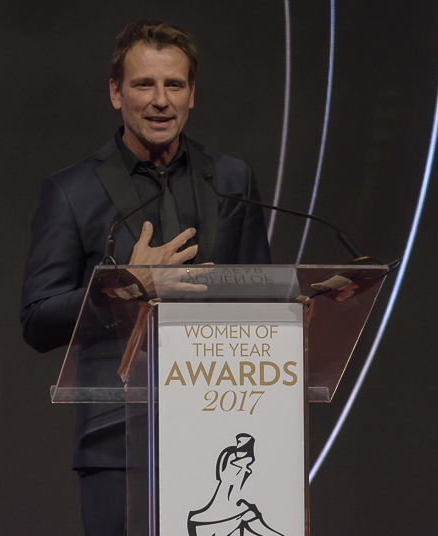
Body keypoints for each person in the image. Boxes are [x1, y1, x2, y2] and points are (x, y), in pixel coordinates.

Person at [20, 19, 271, 535]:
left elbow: (259, 301)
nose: (160, 100)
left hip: (220, 435)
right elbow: (37, 320)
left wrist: (304, 306)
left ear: (192, 94)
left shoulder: (231, 178)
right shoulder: (72, 191)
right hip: (118, 444)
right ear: (116, 93)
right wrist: (123, 288)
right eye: (144, 85)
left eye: (174, 85)